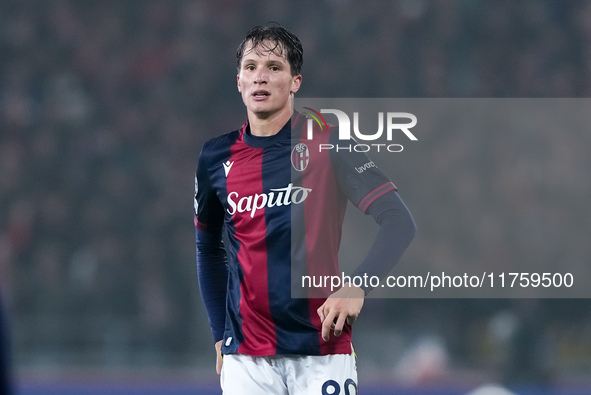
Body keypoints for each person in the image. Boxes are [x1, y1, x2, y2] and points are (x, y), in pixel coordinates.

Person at [194, 23, 416, 394]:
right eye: (250, 67)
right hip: (246, 359)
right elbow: (208, 249)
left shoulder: (330, 144)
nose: (260, 77)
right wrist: (220, 333)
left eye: (274, 67)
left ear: (295, 81)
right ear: (238, 81)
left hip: (322, 350)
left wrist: (357, 286)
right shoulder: (216, 157)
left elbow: (399, 222)